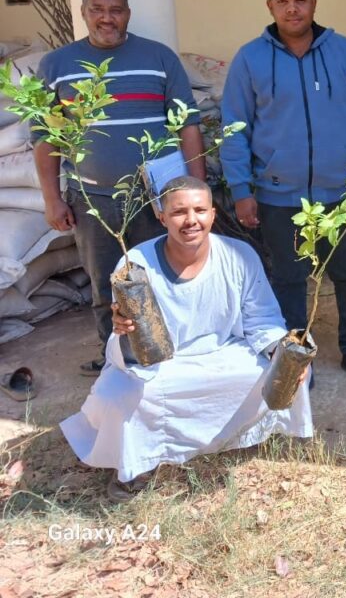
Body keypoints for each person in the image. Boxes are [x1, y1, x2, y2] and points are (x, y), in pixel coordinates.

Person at [60, 177, 312, 501]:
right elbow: (130, 348)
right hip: (163, 364)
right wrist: (124, 329)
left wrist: (282, 350)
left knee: (288, 371)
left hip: (223, 354)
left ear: (212, 213)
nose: (191, 220)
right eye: (179, 211)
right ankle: (137, 465)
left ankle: (240, 436)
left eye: (200, 210)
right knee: (116, 394)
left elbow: (262, 320)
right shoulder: (134, 264)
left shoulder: (240, 255)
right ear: (162, 217)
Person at [220, 0, 346, 386]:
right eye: (283, 2)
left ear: (314, 3)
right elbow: (234, 128)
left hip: (345, 194)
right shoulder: (250, 58)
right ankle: (298, 355)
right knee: (290, 280)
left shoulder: (344, 52)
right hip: (280, 196)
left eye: (300, 0)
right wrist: (242, 190)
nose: (292, 8)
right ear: (270, 7)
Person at [34, 0, 204, 376]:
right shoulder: (57, 66)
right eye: (97, 9)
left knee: (166, 275)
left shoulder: (159, 58)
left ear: (127, 13)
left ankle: (171, 353)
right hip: (92, 199)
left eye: (116, 10)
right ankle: (116, 359)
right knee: (106, 282)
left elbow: (189, 125)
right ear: (83, 12)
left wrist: (195, 189)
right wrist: (51, 199)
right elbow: (44, 138)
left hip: (156, 195)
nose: (106, 18)